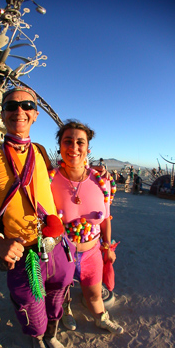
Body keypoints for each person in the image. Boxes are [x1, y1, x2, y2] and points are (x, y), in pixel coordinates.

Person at [0, 87, 75, 348]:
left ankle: (51, 334)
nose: (19, 111)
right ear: (2, 115)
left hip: (56, 246)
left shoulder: (41, 152)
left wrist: (92, 172)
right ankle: (38, 336)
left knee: (56, 297)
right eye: (11, 106)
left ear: (36, 115)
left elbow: (55, 183)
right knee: (30, 306)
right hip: (23, 252)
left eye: (27, 105)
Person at [49, 120, 124, 335]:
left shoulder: (102, 180)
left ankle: (101, 318)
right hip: (62, 252)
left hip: (92, 252)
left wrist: (107, 245)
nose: (74, 147)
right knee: (63, 291)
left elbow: (107, 218)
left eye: (80, 142)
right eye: (68, 141)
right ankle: (66, 311)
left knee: (94, 293)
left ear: (88, 148)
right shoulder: (49, 180)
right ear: (60, 147)